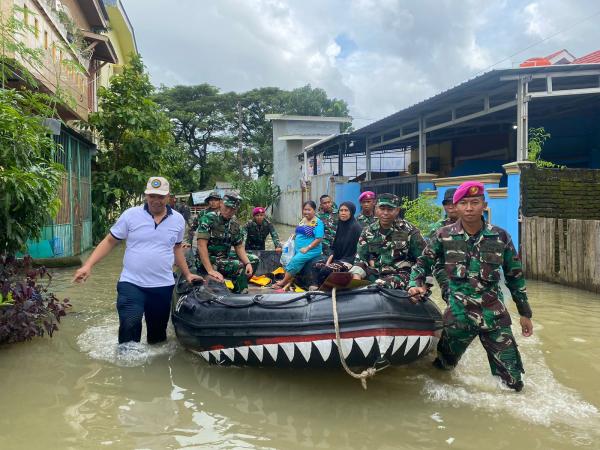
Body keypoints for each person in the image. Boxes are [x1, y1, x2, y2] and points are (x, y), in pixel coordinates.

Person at [407, 181, 533, 392]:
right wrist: (415, 285)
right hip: (458, 317)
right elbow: (422, 264)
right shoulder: (443, 235)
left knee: (513, 384)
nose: (469, 208)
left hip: (494, 318)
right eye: (463, 203)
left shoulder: (500, 237)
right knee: (441, 372)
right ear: (455, 207)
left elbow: (515, 277)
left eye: (475, 202)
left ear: (484, 205)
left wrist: (524, 313)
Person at [72, 176, 203, 344]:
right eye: (152, 196)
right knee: (129, 326)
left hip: (162, 285)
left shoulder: (178, 219)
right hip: (131, 283)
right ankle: (126, 367)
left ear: (169, 197)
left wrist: (187, 274)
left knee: (157, 337)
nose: (156, 200)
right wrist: (88, 265)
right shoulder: (130, 215)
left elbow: (176, 248)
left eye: (160, 196)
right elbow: (110, 241)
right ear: (146, 196)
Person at [349, 193, 425, 289]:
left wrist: (417, 282)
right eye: (382, 208)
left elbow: (422, 259)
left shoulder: (409, 231)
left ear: (397, 210)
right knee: (348, 280)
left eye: (390, 209)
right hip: (376, 272)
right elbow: (361, 258)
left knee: (380, 286)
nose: (385, 213)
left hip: (401, 274)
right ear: (376, 209)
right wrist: (356, 277)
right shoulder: (368, 231)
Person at [196, 194, 258, 293]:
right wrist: (210, 270)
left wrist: (247, 263)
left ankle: (237, 286)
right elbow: (201, 245)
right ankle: (240, 293)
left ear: (236, 210)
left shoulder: (234, 224)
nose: (229, 211)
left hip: (224, 256)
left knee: (254, 260)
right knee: (238, 265)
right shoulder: (208, 218)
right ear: (221, 204)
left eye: (232, 209)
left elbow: (238, 246)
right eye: (227, 207)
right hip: (208, 259)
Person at [272, 201, 324, 290]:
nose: (306, 212)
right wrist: (294, 236)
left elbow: (319, 239)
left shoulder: (318, 223)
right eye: (305, 209)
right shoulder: (303, 220)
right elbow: (299, 232)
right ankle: (290, 278)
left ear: (314, 210)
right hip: (298, 248)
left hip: (311, 250)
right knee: (287, 258)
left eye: (309, 210)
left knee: (295, 260)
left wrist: (308, 248)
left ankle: (283, 282)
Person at [313, 201, 362, 287]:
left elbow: (360, 250)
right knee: (316, 265)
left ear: (351, 212)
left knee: (326, 270)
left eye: (346, 210)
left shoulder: (356, 228)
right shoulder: (340, 225)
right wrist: (328, 261)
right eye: (341, 210)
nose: (343, 213)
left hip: (349, 261)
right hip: (338, 258)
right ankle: (318, 287)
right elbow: (335, 247)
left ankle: (322, 289)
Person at [427, 187, 459, 302]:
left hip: (469, 269)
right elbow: (428, 256)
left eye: (453, 202)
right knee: (454, 299)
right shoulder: (437, 228)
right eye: (447, 203)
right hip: (445, 269)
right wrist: (426, 281)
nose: (450, 206)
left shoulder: (471, 225)